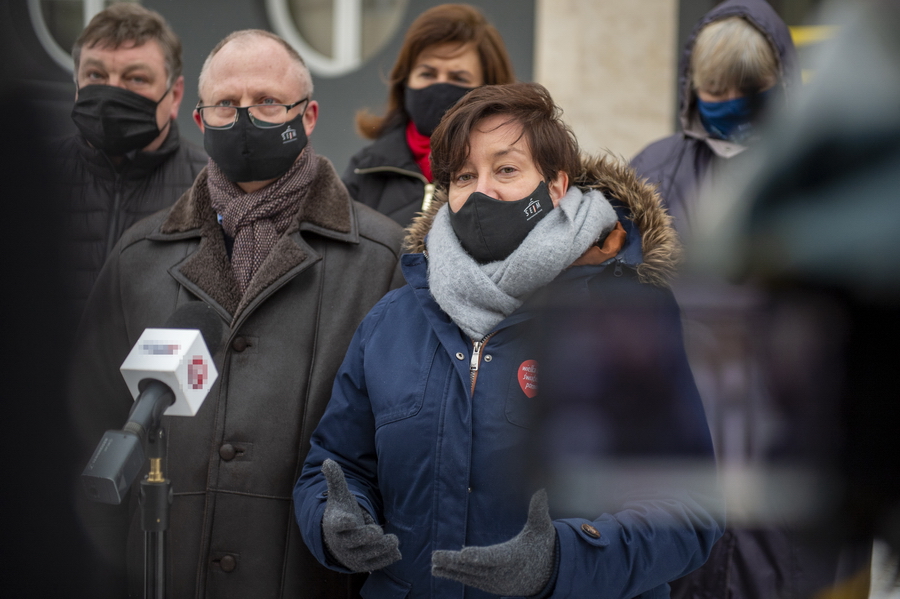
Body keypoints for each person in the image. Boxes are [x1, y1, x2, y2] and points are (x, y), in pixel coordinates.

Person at [294, 82, 723, 598]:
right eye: (463, 175)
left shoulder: (627, 314)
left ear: (556, 186)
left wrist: (565, 559)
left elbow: (691, 510)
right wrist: (334, 520)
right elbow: (334, 466)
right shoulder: (394, 319)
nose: (482, 192)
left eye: (507, 170)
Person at [68, 29, 405, 598]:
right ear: (199, 120)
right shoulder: (138, 257)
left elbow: (401, 450)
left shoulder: (382, 260)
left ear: (311, 114)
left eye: (268, 102)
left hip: (310, 580)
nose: (246, 119)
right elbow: (83, 434)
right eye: (226, 104)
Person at [55, 3, 207, 320]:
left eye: (135, 79)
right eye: (95, 75)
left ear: (175, 95)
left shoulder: (210, 187)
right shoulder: (27, 176)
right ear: (77, 85)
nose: (112, 93)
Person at [630, 0, 798, 240]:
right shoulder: (652, 171)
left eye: (748, 88)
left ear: (783, 81)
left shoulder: (824, 167)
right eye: (716, 90)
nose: (732, 102)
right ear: (693, 88)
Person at [342, 3, 515, 227]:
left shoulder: (510, 171)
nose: (440, 86)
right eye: (427, 73)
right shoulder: (366, 169)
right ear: (404, 82)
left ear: (489, 91)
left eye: (458, 78)